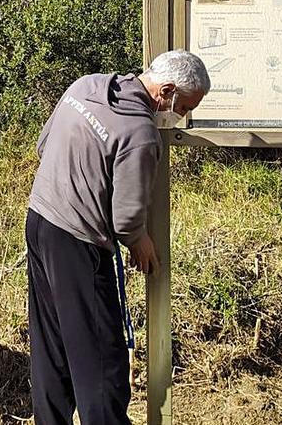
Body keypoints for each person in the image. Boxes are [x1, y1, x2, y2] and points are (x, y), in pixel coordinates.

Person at [26, 49, 210, 424]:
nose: (182, 116)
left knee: (51, 346)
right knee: (101, 357)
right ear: (167, 91)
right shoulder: (140, 133)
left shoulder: (86, 86)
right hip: (79, 243)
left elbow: (44, 145)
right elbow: (126, 218)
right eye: (185, 106)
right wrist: (140, 240)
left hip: (39, 220)